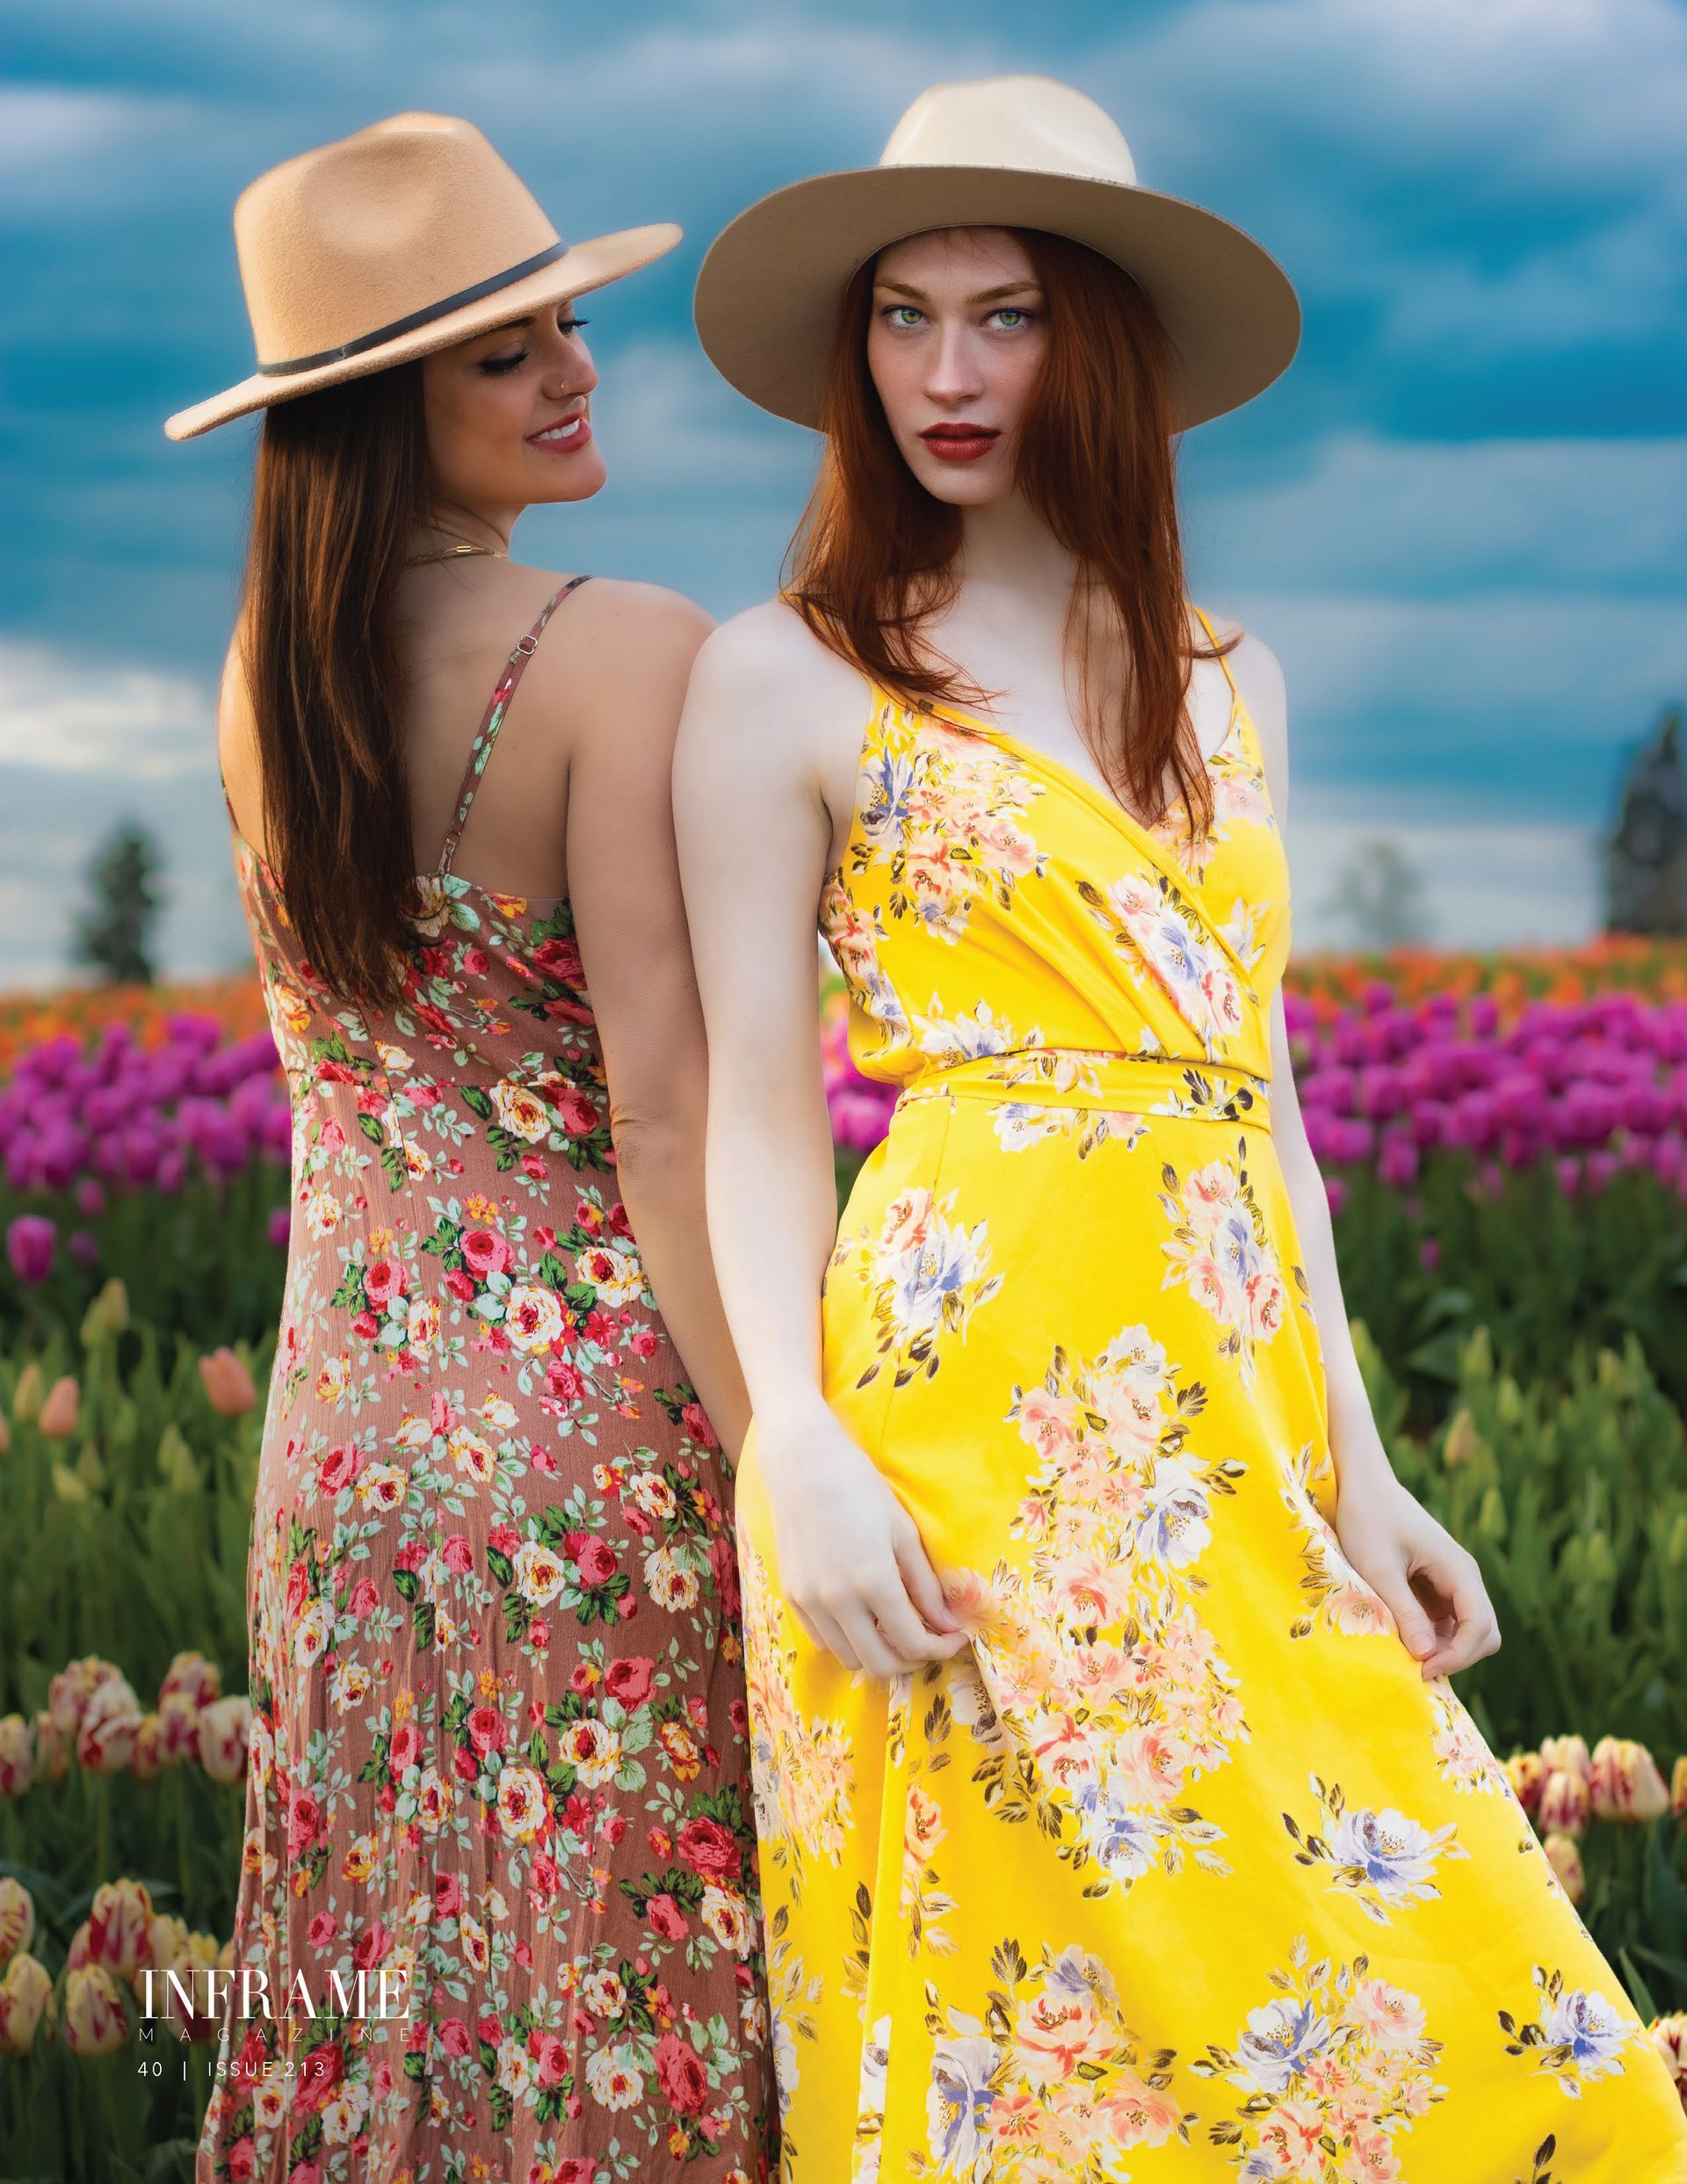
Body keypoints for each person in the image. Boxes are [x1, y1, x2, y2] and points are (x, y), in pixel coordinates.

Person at [674, 74, 1687, 2181]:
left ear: (1106, 342)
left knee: (1529, 2059)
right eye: (904, 315)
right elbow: (759, 1114)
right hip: (967, 1412)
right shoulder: (789, 677)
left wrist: (1362, 1450)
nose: (946, 373)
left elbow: (1271, 1101)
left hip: (1222, 1402)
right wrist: (799, 1440)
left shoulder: (1235, 681)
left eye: (1010, 314)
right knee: (1026, 2025)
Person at [165, 112, 778, 2182]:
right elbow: (673, 1122)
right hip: (602, 1432)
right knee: (622, 1994)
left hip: (345, 1444)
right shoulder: (623, 652)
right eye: (504, 354)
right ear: (374, 411)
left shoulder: (266, 682)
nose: (574, 372)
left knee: (395, 1988)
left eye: (564, 329)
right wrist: (794, 1447)